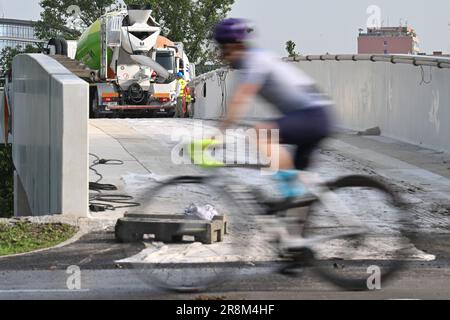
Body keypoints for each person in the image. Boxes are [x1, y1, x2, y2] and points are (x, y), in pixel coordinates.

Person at [214, 18, 334, 198]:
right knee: (294, 197)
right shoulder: (253, 61)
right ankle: (295, 213)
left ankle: (292, 193)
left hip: (313, 116)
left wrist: (218, 135)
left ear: (233, 46)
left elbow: (240, 100)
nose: (221, 56)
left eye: (222, 49)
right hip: (315, 115)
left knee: (260, 133)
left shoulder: (254, 61)